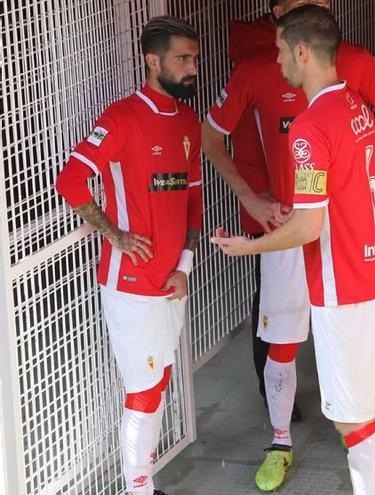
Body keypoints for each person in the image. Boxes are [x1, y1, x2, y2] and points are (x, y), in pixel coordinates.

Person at [202, 0, 375, 490]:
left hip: (340, 279)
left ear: (304, 52)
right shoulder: (354, 105)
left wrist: (247, 247)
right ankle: (282, 440)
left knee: (353, 423)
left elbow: (310, 227)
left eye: (282, 51)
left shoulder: (310, 128)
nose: (277, 61)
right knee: (371, 398)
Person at [55, 16, 202, 495]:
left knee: (158, 382)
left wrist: (183, 267)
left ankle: (144, 483)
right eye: (182, 58)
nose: (191, 67)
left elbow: (192, 201)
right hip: (130, 284)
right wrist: (115, 235)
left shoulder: (187, 122)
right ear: (152, 60)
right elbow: (70, 182)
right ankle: (138, 489)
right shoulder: (120, 118)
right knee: (144, 390)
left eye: (194, 59)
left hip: (171, 283)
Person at [226, 0, 302, 425]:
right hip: (268, 201)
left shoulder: (320, 44)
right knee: (273, 302)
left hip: (302, 198)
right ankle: (272, 392)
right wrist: (253, 198)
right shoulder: (256, 55)